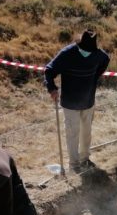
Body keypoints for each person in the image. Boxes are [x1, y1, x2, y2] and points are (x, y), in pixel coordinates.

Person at [44, 30, 110, 173]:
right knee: (73, 133)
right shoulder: (67, 54)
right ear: (79, 46)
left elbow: (106, 60)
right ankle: (74, 164)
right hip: (70, 102)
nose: (87, 53)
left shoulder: (97, 54)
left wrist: (94, 76)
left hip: (88, 101)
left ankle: (85, 159)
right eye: (85, 51)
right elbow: (49, 70)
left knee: (86, 132)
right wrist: (52, 88)